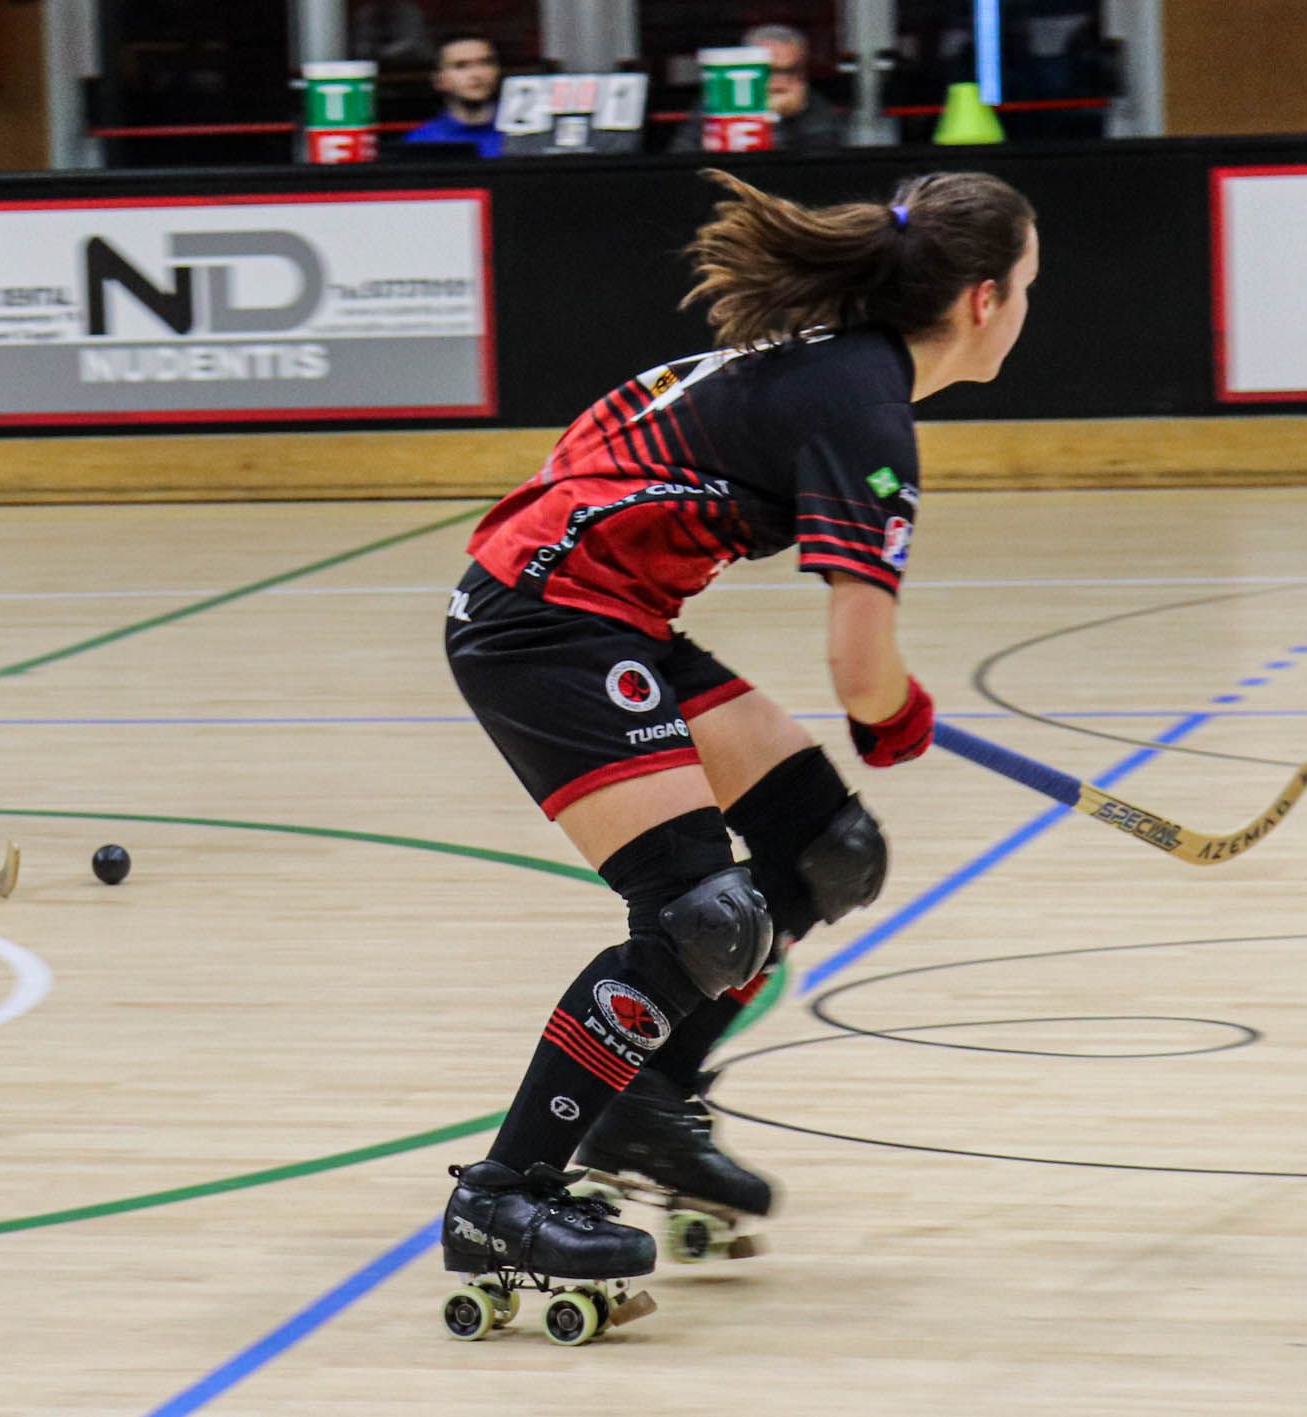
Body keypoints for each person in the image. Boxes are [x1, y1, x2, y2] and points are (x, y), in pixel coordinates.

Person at [436, 169, 1038, 1310]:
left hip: (606, 608)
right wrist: (890, 713)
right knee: (698, 915)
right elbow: (861, 674)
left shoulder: (850, 366)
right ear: (978, 300)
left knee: (822, 851)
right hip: (541, 622)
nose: (1024, 308)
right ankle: (502, 1195)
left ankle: (646, 1103)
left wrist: (880, 708)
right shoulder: (863, 405)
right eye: (1026, 286)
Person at [671, 23, 846, 155]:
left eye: (790, 71)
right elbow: (681, 158)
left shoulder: (815, 108)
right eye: (768, 71)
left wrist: (779, 120)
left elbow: (815, 169)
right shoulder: (717, 103)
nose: (779, 82)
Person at [403, 33, 501, 157]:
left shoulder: (522, 132)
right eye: (461, 66)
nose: (476, 74)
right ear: (438, 81)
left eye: (485, 63)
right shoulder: (422, 140)